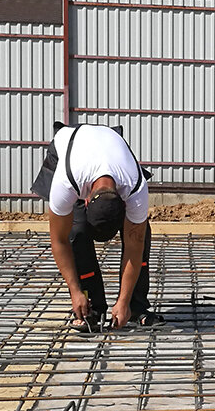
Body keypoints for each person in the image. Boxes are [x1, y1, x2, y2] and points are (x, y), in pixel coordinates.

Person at [31, 123, 164, 333]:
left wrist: (123, 300)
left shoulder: (135, 187)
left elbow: (134, 247)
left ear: (123, 203)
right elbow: (59, 240)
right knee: (77, 233)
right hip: (69, 149)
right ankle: (88, 306)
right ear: (84, 202)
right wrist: (74, 291)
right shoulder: (66, 183)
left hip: (112, 149)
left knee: (141, 235)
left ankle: (134, 307)